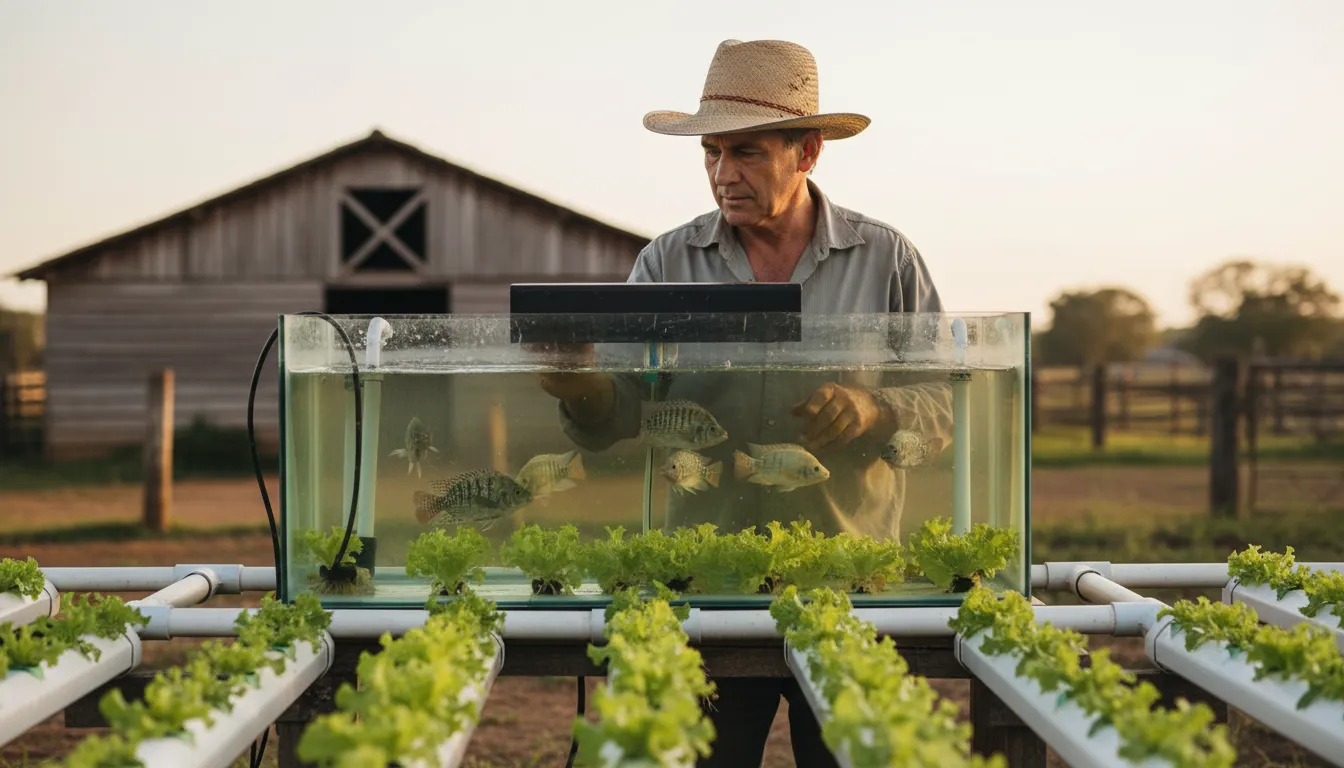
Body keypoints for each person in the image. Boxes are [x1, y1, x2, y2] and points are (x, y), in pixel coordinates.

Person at [538, 39, 954, 767]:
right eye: (711, 154)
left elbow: (945, 408)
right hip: (707, 594)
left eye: (749, 153)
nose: (723, 176)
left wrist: (873, 410)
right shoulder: (666, 263)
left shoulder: (887, 259)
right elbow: (624, 414)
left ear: (809, 152)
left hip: (849, 589)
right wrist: (580, 386)